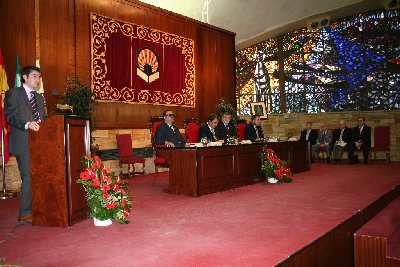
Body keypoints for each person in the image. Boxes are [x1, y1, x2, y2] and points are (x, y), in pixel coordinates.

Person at [5, 66, 47, 223]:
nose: (38, 80)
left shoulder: (40, 98)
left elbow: (43, 119)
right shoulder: (13, 94)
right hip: (23, 141)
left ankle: (38, 207)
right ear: (25, 77)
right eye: (35, 76)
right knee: (29, 175)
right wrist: (27, 123)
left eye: (39, 77)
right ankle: (25, 212)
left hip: (39, 143)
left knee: (39, 175)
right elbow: (10, 116)